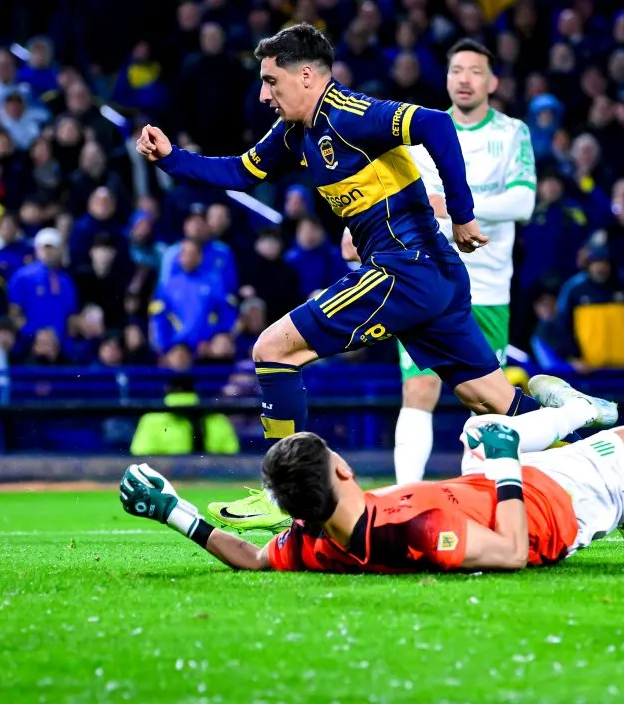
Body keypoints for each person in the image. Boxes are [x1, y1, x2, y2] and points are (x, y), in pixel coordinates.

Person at [136, 24, 548, 531]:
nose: (264, 94)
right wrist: (171, 158)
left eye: (271, 81)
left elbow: (437, 127)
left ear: (306, 75)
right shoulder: (296, 133)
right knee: (493, 399)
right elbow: (241, 173)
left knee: (273, 349)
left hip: (406, 269)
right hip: (432, 275)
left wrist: (462, 213)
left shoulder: (350, 114)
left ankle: (280, 494)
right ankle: (605, 466)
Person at [119, 376, 624, 572]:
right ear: (342, 468)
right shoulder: (416, 528)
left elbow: (250, 556)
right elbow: (507, 550)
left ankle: (574, 413)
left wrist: (177, 514)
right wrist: (509, 471)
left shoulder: (315, 538)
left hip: (499, 480)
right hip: (552, 505)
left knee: (477, 425)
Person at [393, 38, 536, 485]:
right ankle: (406, 496)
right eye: (457, 70)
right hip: (429, 280)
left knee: (487, 401)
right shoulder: (422, 133)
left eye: (475, 71)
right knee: (418, 388)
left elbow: (524, 201)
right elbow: (399, 196)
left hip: (489, 286)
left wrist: (456, 207)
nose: (465, 79)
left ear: (492, 82)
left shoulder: (512, 133)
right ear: (447, 78)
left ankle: (493, 493)